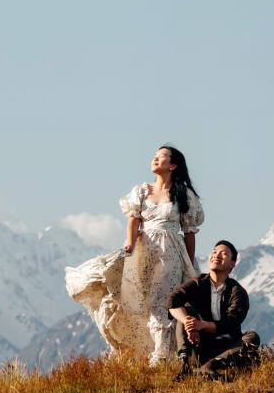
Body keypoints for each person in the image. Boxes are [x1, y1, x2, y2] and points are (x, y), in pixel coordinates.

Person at [64, 145, 203, 364]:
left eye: (162, 157)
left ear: (173, 165)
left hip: (170, 251)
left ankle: (161, 354)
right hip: (144, 249)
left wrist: (190, 265)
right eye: (155, 156)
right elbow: (133, 220)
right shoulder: (141, 191)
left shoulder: (183, 195)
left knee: (161, 299)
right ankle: (153, 351)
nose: (155, 159)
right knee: (141, 300)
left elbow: (189, 232)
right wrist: (129, 244)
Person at [169, 240, 260, 379]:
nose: (217, 255)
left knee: (252, 337)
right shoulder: (198, 282)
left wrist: (203, 325)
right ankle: (185, 365)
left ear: (232, 264)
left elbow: (231, 322)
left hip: (227, 348)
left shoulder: (237, 291)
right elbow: (172, 301)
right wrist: (190, 325)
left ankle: (210, 366)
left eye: (224, 254)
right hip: (198, 344)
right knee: (186, 315)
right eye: (214, 252)